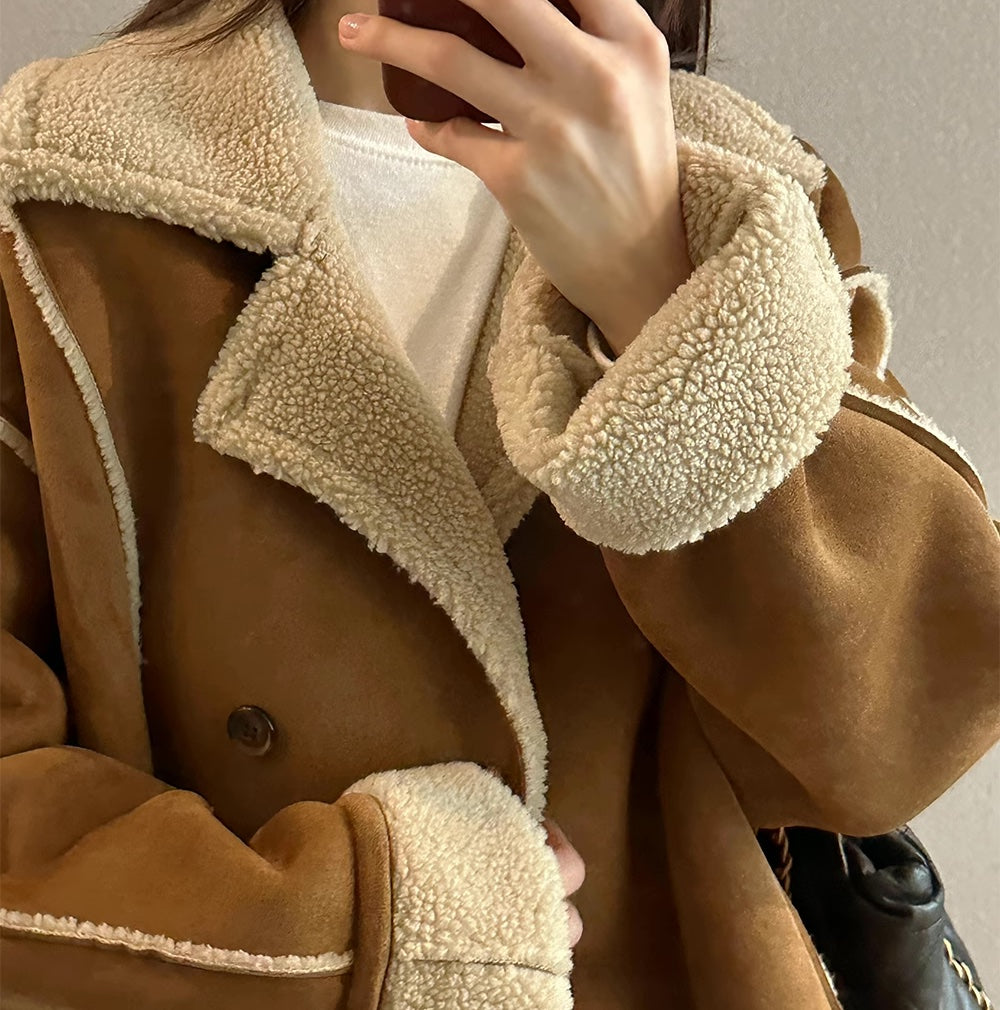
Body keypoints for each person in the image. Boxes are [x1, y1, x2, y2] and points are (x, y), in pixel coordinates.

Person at [0, 0, 997, 1006]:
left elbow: (892, 742)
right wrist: (363, 929)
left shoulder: (743, 196)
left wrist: (660, 295)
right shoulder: (58, 179)